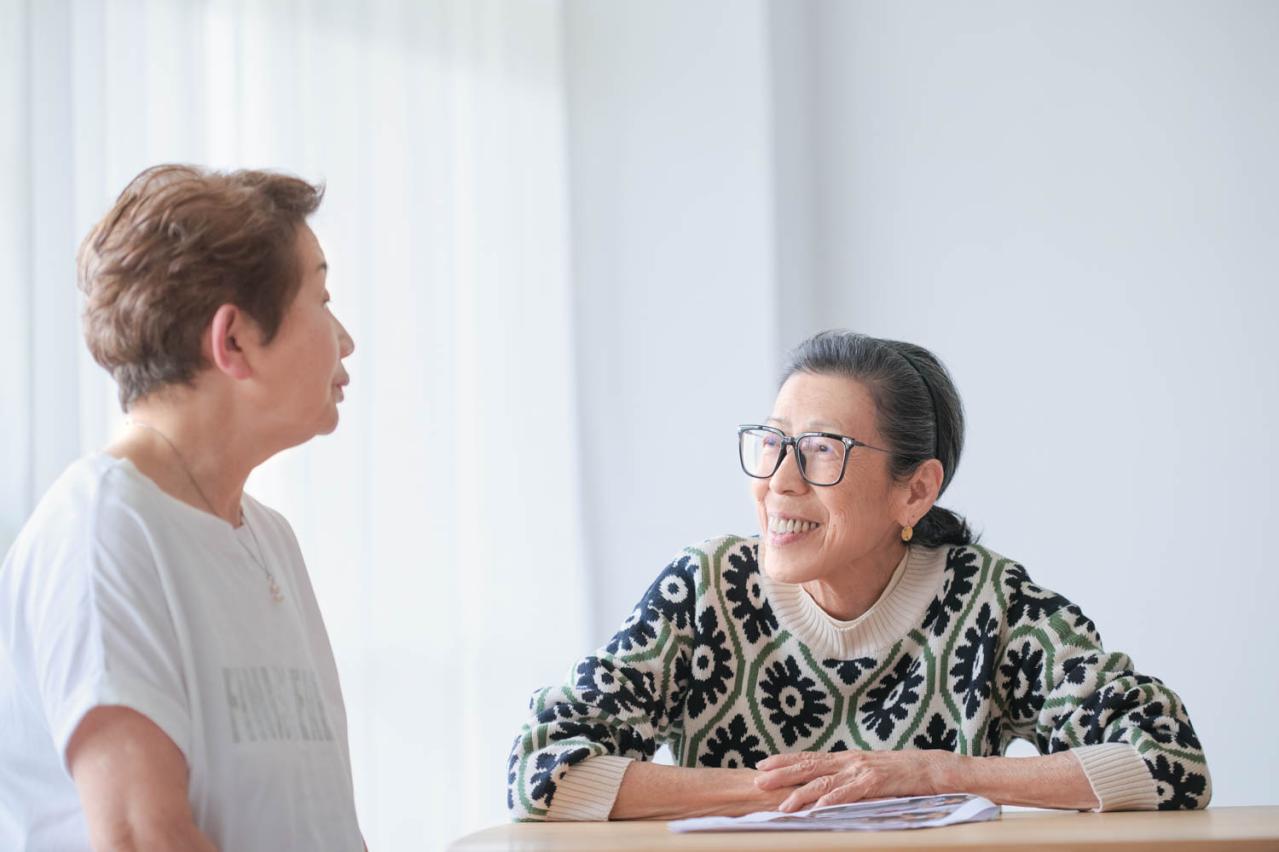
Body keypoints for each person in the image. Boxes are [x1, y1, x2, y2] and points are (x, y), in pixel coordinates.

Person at [507, 330, 1210, 820]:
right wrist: (784, 794)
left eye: (819, 451)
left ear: (915, 490)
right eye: (772, 444)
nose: (778, 482)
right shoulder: (704, 588)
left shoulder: (989, 603)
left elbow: (1168, 761)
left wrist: (936, 773)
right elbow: (542, 770)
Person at [0, 164, 363, 850]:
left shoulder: (268, 537)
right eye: (323, 298)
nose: (344, 339)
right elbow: (143, 841)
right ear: (232, 342)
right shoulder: (100, 533)